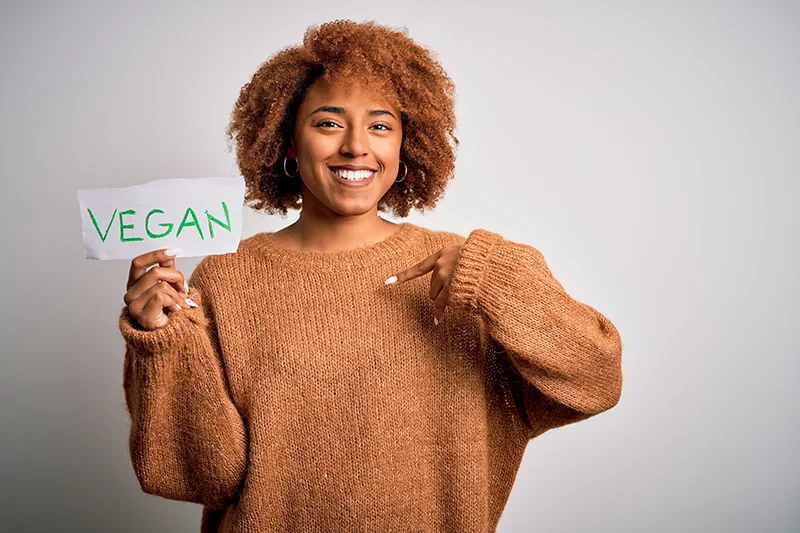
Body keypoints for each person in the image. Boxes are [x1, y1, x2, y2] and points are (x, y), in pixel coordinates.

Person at [119, 20, 623, 533]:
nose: (356, 146)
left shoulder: (467, 274)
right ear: (288, 141)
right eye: (329, 123)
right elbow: (202, 479)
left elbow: (596, 380)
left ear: (406, 144)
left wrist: (495, 279)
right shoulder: (227, 278)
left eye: (380, 126)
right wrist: (162, 342)